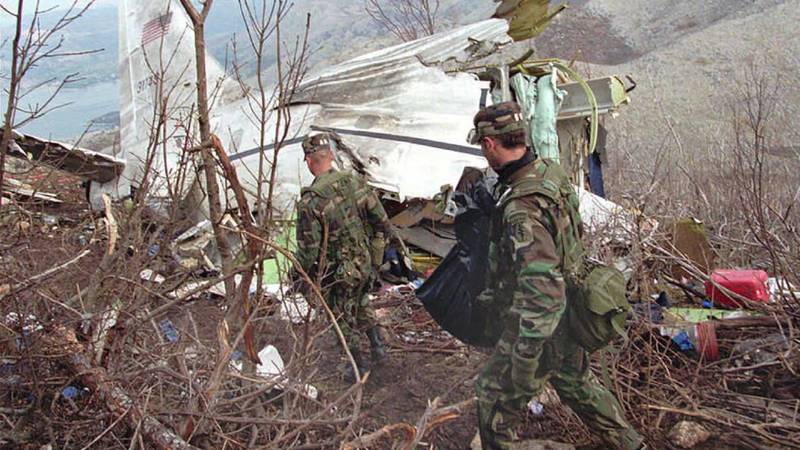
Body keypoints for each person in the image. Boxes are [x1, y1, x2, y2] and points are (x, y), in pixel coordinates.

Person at [469, 102, 644, 449]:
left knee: (492, 393)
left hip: (540, 323)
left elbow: (542, 289)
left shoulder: (522, 208)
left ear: (490, 145)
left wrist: (526, 354)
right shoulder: (548, 171)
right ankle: (631, 444)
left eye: (482, 146)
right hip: (569, 310)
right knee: (577, 385)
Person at [293, 132, 390, 381]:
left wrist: (296, 276)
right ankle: (378, 348)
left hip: (339, 271)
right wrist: (375, 258)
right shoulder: (355, 182)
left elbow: (308, 251)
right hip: (364, 260)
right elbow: (381, 221)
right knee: (361, 302)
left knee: (341, 316)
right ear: (332, 156)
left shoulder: (311, 202)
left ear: (308, 160)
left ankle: (358, 366)